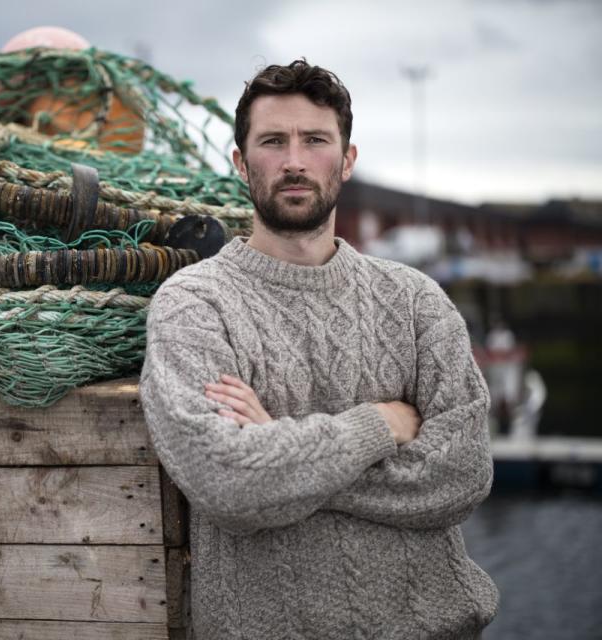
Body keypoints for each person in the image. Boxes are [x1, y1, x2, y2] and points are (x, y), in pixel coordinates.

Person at [139, 60, 498, 639]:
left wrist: (280, 444)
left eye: (315, 140)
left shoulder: (414, 301)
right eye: (273, 141)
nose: (295, 161)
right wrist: (378, 426)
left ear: (348, 160)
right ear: (240, 163)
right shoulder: (193, 304)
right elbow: (228, 483)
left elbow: (462, 474)